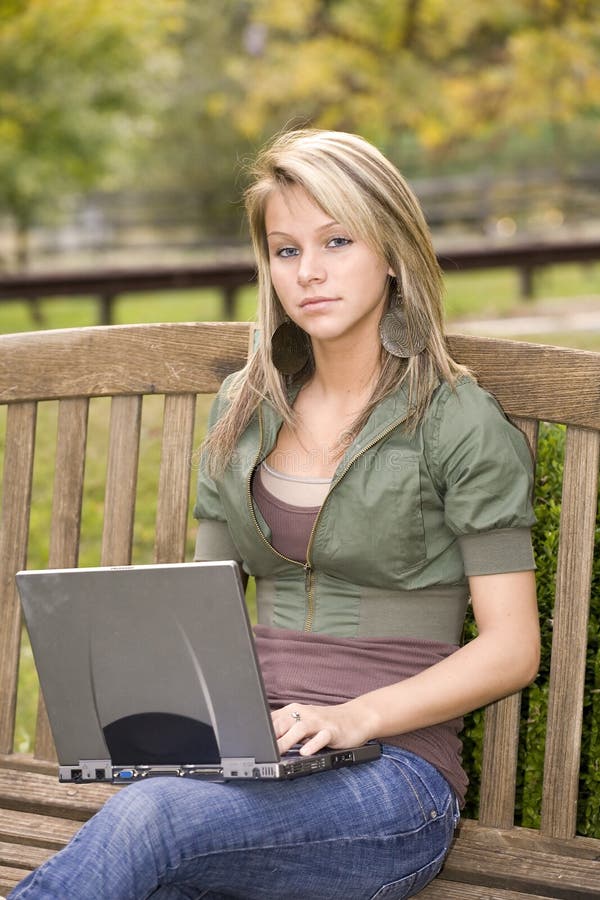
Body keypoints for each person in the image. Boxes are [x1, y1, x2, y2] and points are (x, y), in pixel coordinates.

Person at [8, 129, 540, 900]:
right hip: (246, 763)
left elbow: (513, 650)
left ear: (392, 252)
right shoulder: (244, 411)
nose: (310, 272)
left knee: (153, 824)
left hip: (391, 780)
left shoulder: (454, 419)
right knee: (159, 851)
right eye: (286, 251)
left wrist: (356, 716)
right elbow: (200, 612)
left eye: (337, 241)